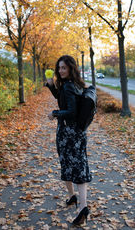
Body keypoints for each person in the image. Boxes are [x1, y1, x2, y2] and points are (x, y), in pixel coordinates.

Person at [46, 55, 92, 226]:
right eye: (59, 68)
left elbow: (70, 111)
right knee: (71, 165)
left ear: (71, 68)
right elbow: (63, 99)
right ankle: (73, 197)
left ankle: (83, 208)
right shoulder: (74, 84)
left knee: (76, 168)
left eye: (63, 68)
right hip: (76, 132)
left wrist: (55, 113)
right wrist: (51, 86)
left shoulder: (69, 87)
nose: (60, 71)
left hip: (69, 133)